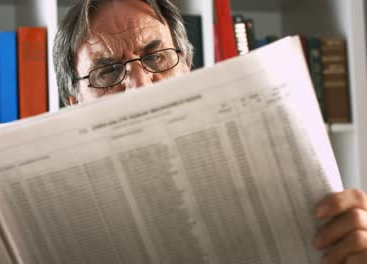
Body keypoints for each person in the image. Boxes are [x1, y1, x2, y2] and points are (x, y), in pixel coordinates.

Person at [53, 0, 367, 262]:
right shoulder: (56, 222)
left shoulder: (276, 175)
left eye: (156, 57)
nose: (140, 85)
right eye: (107, 71)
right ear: (74, 103)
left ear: (186, 66)